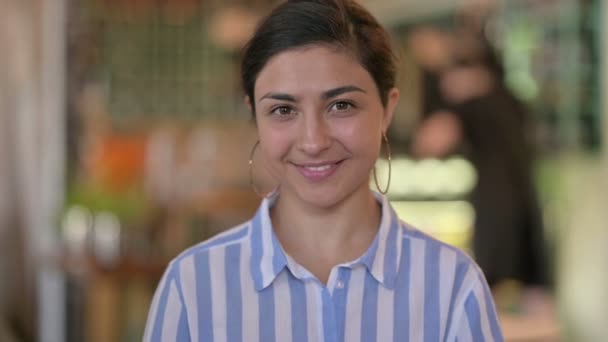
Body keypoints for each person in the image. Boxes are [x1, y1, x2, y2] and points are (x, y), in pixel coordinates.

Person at [144, 1, 503, 341]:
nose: (313, 141)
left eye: (341, 105)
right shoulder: (193, 286)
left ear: (387, 109)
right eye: (283, 110)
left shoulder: (452, 285)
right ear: (254, 116)